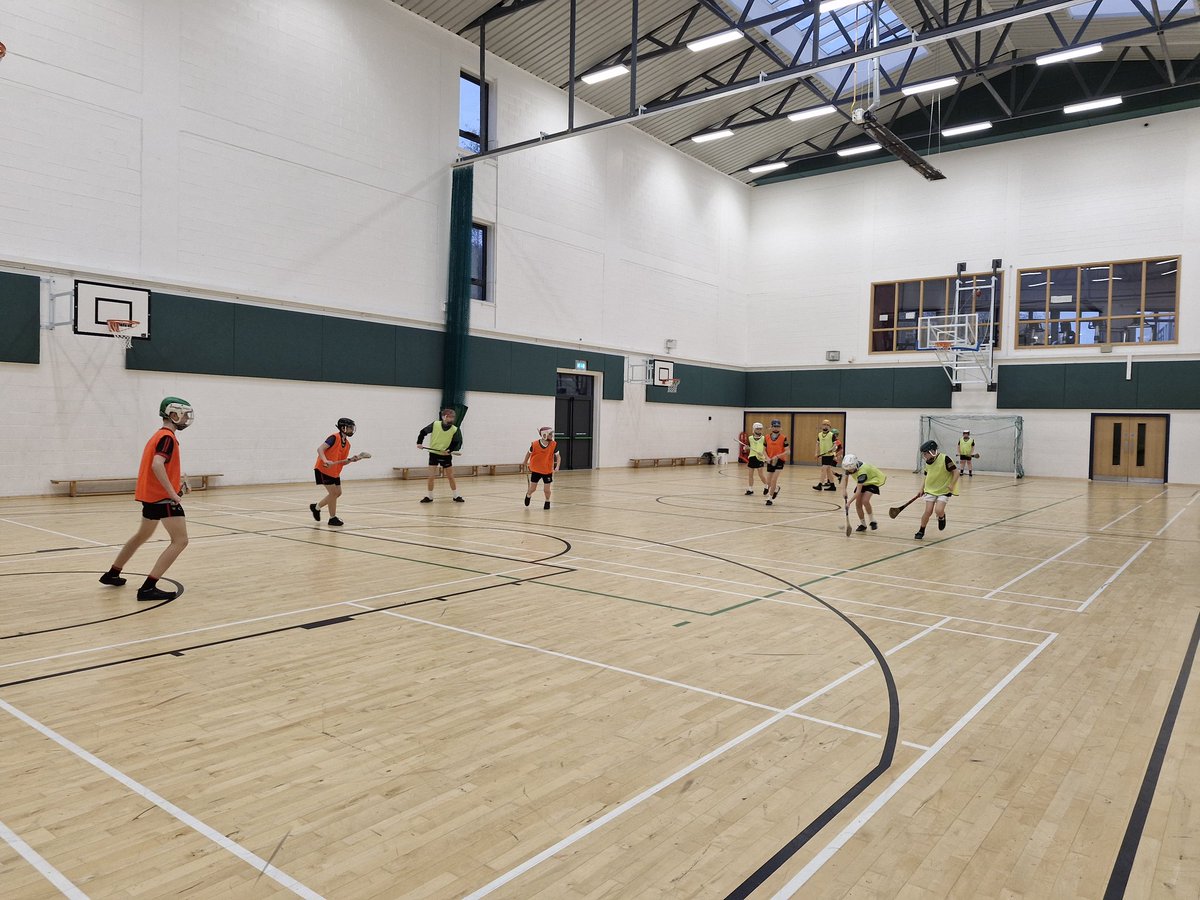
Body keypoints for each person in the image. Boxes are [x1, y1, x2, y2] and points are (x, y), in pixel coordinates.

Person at [99, 397, 194, 601]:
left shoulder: (159, 436)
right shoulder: (167, 437)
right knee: (180, 541)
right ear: (173, 414)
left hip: (151, 498)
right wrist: (172, 494)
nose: (187, 418)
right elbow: (157, 465)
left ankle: (113, 573)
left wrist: (177, 485)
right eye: (184, 414)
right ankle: (148, 588)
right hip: (163, 500)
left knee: (141, 535)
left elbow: (160, 467)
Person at [310, 417, 370, 527]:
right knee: (333, 494)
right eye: (350, 427)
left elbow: (342, 462)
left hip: (335, 471)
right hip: (324, 469)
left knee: (338, 493)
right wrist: (325, 460)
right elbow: (320, 449)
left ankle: (316, 507)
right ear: (343, 428)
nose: (352, 430)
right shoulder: (334, 438)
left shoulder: (347, 445)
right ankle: (332, 518)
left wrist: (352, 460)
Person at [915, 439, 960, 540]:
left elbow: (956, 472)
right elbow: (927, 476)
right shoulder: (928, 462)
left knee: (939, 510)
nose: (924, 456)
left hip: (944, 490)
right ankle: (921, 530)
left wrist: (952, 484)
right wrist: (921, 488)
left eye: (925, 454)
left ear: (932, 451)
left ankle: (941, 516)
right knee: (928, 511)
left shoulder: (945, 459)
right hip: (930, 490)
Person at [417, 408, 464, 503]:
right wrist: (419, 443)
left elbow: (455, 442)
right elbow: (423, 432)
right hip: (433, 454)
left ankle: (456, 496)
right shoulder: (435, 424)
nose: (452, 419)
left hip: (445, 455)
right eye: (450, 417)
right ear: (444, 417)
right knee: (431, 476)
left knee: (450, 476)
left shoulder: (454, 429)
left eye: (453, 417)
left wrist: (449, 450)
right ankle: (429, 497)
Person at [841, 453, 886, 532]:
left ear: (855, 465)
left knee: (865, 500)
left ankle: (872, 521)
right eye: (848, 470)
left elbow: (858, 491)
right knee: (858, 504)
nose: (849, 471)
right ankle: (863, 525)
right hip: (862, 483)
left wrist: (849, 503)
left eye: (851, 469)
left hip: (872, 481)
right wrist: (844, 490)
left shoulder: (862, 472)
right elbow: (845, 478)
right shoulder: (848, 467)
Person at [522, 426, 560, 509]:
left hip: (547, 470)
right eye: (550, 434)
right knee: (533, 488)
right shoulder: (535, 444)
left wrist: (557, 466)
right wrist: (525, 462)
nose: (552, 436)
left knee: (547, 490)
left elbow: (558, 456)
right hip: (536, 469)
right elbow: (528, 453)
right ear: (544, 435)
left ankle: (547, 501)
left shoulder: (553, 444)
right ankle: (528, 495)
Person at [764, 419, 789, 505]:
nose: (776, 428)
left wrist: (778, 456)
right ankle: (776, 488)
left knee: (774, 480)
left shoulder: (783, 438)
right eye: (774, 426)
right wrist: (767, 457)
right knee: (768, 481)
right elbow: (763, 449)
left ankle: (770, 499)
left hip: (779, 460)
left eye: (778, 426)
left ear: (780, 427)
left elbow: (788, 451)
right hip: (770, 460)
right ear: (771, 427)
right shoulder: (766, 437)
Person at [742, 422, 769, 495]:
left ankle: (766, 486)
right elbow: (745, 447)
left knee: (761, 474)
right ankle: (750, 489)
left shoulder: (764, 438)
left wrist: (763, 453)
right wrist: (746, 448)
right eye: (757, 429)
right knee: (750, 474)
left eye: (760, 429)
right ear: (754, 429)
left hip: (760, 458)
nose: (759, 430)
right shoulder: (750, 438)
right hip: (752, 457)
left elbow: (767, 448)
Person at [812, 419, 838, 491]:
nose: (825, 426)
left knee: (823, 469)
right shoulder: (819, 434)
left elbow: (835, 444)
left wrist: (831, 449)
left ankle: (820, 485)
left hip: (830, 455)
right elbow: (817, 444)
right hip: (823, 455)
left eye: (827, 425)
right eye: (824, 424)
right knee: (828, 470)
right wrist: (816, 453)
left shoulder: (832, 435)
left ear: (829, 427)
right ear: (822, 426)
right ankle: (832, 486)